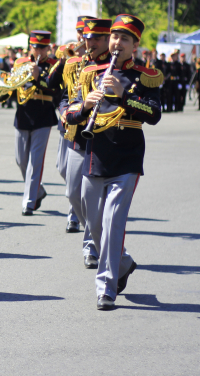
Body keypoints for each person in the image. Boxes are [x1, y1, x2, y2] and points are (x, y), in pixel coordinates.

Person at [65, 14, 162, 310]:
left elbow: (155, 114)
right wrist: (85, 106)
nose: (117, 43)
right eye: (115, 37)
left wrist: (122, 97)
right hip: (96, 155)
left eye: (125, 39)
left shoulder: (146, 76)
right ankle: (124, 263)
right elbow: (69, 114)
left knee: (113, 222)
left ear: (135, 45)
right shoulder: (90, 72)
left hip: (128, 158)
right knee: (94, 224)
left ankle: (105, 287)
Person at [59, 18, 113, 269]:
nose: (88, 42)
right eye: (86, 37)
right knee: (72, 193)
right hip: (77, 134)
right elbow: (62, 94)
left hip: (102, 138)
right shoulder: (76, 64)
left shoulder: (114, 66)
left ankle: (92, 246)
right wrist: (65, 110)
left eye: (95, 39)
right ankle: (98, 234)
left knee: (92, 197)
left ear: (106, 40)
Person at [50, 15, 92, 230]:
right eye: (79, 32)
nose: (81, 37)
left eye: (85, 33)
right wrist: (63, 61)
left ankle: (74, 215)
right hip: (67, 120)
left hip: (85, 123)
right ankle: (77, 206)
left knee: (79, 175)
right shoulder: (67, 53)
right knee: (62, 168)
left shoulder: (96, 59)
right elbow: (52, 84)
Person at [14, 30, 58, 215]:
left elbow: (56, 90)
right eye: (35, 47)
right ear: (30, 46)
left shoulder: (55, 65)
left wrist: (39, 77)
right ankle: (38, 191)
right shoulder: (20, 62)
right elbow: (13, 84)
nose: (38, 50)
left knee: (35, 162)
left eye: (42, 47)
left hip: (43, 116)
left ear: (48, 48)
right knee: (20, 160)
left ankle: (29, 203)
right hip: (23, 114)